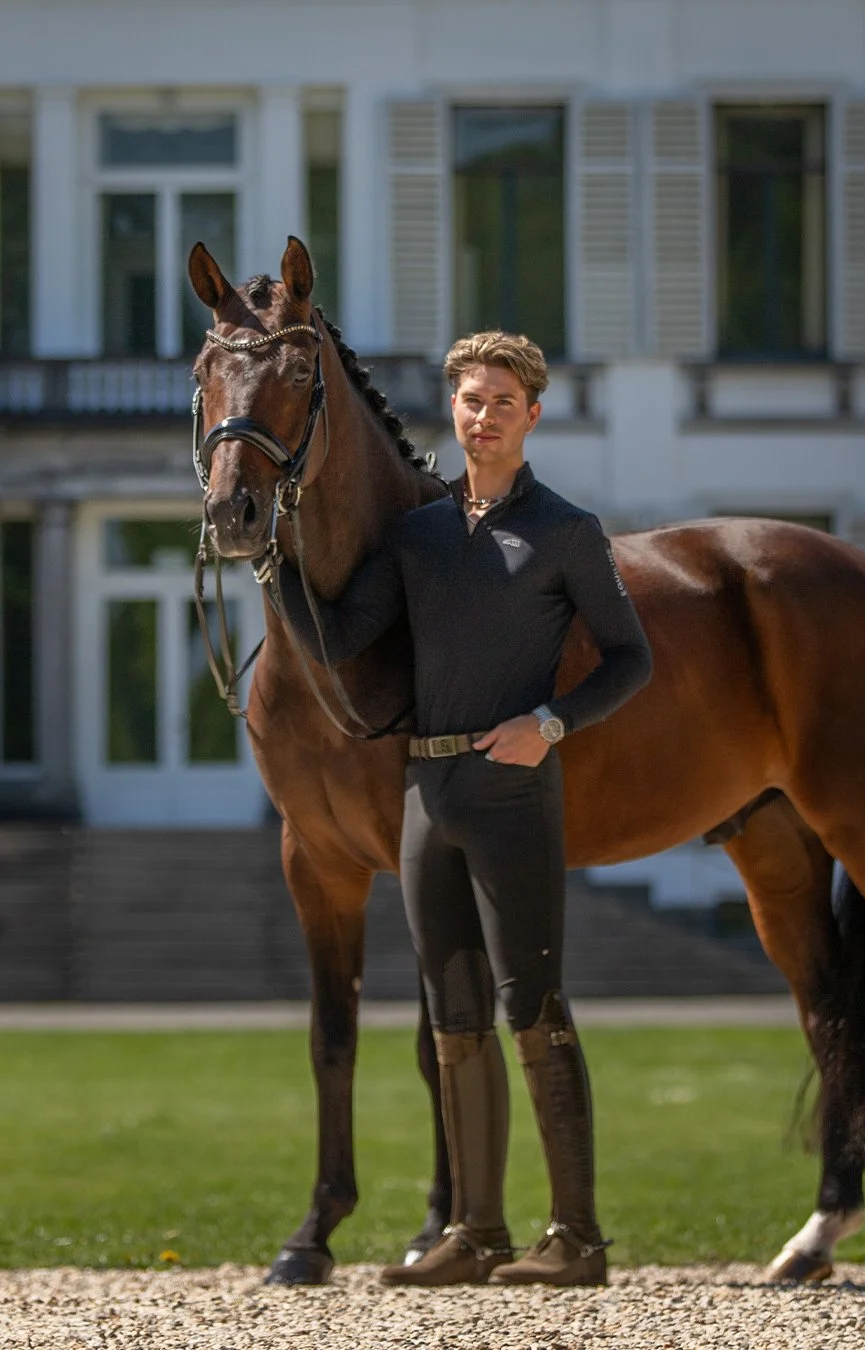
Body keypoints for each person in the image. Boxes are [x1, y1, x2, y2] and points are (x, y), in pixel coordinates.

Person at [273, 331, 652, 1287]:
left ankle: (578, 1240)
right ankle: (478, 1234)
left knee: (533, 1008)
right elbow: (342, 634)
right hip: (424, 795)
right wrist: (272, 550)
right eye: (468, 401)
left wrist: (551, 725)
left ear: (531, 413)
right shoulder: (420, 534)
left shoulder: (566, 530)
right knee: (453, 1018)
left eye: (499, 402)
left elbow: (632, 659)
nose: (479, 417)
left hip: (513, 791)